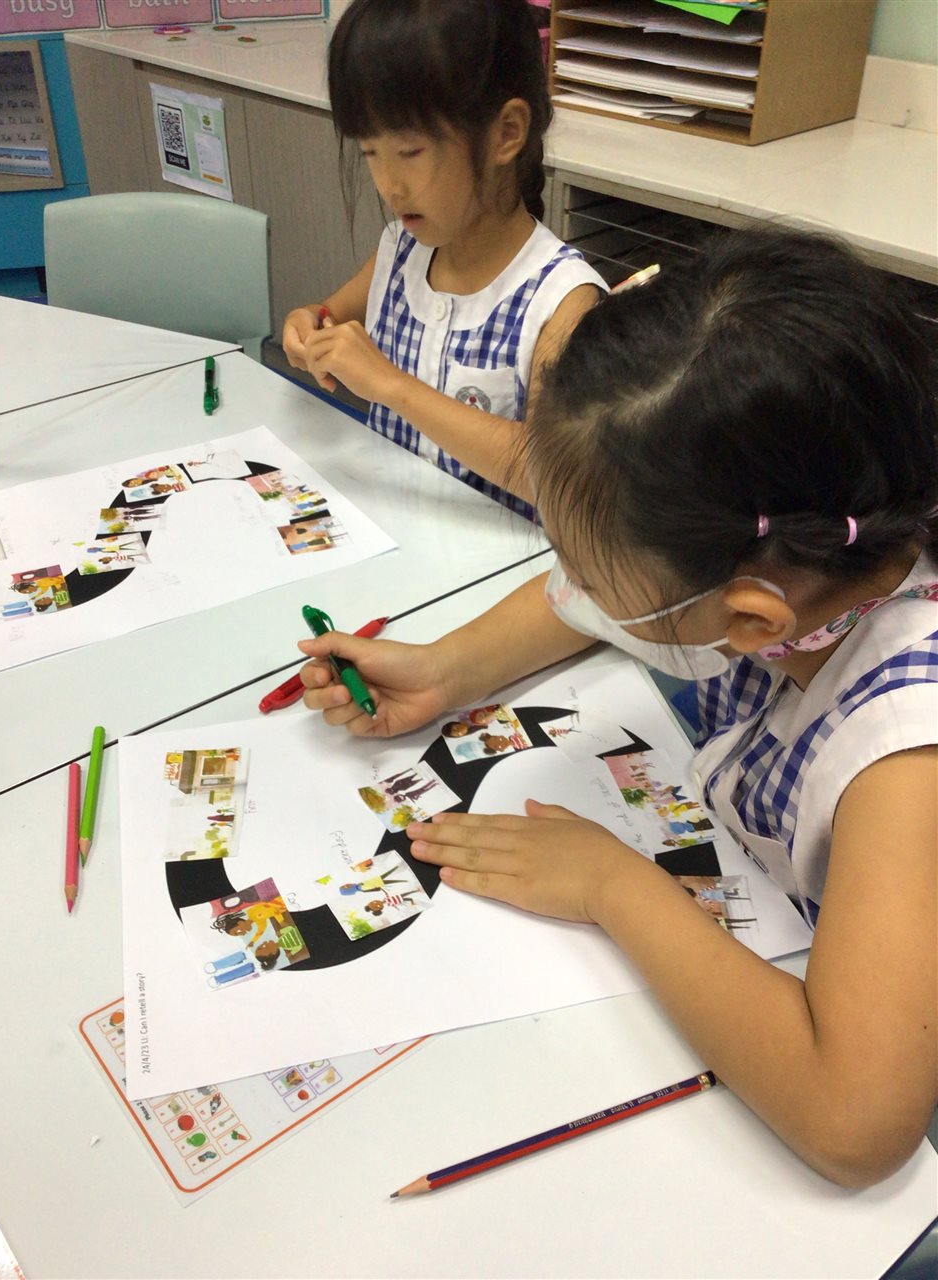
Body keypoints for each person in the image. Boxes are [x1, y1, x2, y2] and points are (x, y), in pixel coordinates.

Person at [297, 227, 938, 1188]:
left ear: (752, 618)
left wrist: (611, 884)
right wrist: (444, 671)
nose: (575, 590)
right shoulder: (816, 554)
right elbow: (595, 597)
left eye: (597, 579)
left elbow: (855, 1125)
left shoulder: (904, 759)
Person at [281, 0, 604, 516]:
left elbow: (553, 477)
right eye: (370, 153)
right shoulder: (400, 252)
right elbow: (326, 315)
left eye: (410, 152)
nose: (389, 185)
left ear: (506, 133)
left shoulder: (562, 300)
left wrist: (390, 385)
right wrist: (307, 325)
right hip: (391, 534)